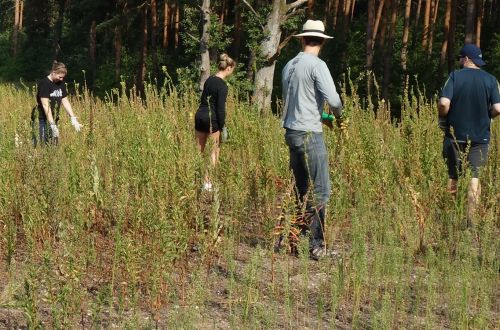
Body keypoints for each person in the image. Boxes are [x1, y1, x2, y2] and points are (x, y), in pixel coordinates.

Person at [281, 20, 344, 260]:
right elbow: (334, 100)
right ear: (322, 42)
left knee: (300, 189)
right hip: (310, 134)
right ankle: (316, 246)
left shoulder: (289, 65)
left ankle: (297, 239)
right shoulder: (317, 65)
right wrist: (338, 116)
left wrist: (322, 115)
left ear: (302, 39)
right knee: (321, 190)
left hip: (291, 132)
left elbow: (299, 101)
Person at [438, 44, 500, 227]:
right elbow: (498, 108)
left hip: (454, 135)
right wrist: (488, 115)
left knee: (453, 174)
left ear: (465, 59)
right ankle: (470, 220)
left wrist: (443, 116)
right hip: (480, 138)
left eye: (460, 58)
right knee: (474, 176)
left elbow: (443, 103)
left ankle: (450, 217)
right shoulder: (491, 79)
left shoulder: (455, 76)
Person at [195, 53, 235, 191]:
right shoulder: (222, 86)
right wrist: (222, 126)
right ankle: (207, 183)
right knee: (213, 152)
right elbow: (220, 109)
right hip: (212, 119)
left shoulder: (209, 79)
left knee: (198, 151)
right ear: (228, 68)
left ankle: (194, 179)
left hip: (199, 115)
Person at [35, 61, 83, 145]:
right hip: (42, 119)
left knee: (54, 145)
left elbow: (65, 101)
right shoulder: (44, 84)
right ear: (53, 73)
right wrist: (52, 125)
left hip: (54, 119)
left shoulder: (61, 83)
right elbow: (45, 105)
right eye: (60, 77)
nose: (62, 79)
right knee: (42, 145)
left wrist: (73, 118)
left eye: (63, 77)